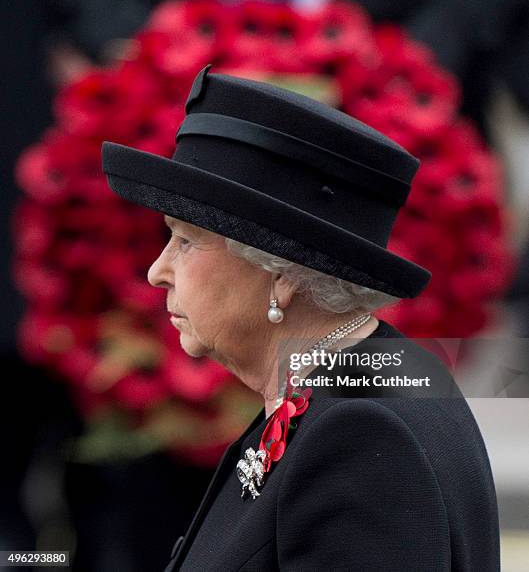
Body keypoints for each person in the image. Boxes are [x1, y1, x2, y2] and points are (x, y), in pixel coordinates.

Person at [101, 64, 500, 571]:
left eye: (185, 240)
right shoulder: (343, 383)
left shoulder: (360, 436)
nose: (158, 272)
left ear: (282, 273)